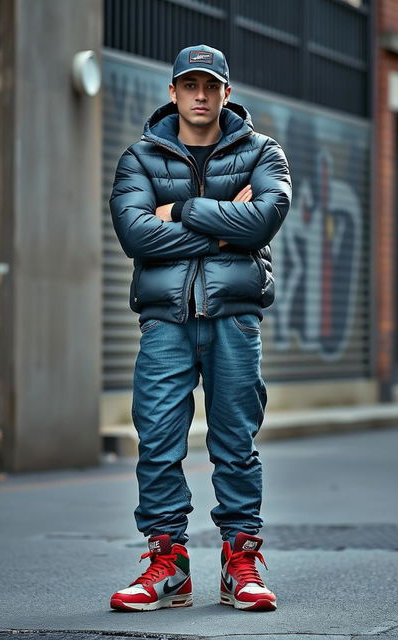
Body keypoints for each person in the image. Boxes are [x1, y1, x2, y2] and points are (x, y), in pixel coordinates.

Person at [108, 44, 291, 612]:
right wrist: (222, 223)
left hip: (234, 319)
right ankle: (169, 564)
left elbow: (265, 218)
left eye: (211, 86)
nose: (201, 95)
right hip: (165, 321)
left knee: (235, 444)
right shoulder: (138, 159)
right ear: (173, 92)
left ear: (226, 93)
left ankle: (241, 563)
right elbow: (136, 235)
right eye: (190, 85)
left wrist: (180, 211)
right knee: (158, 443)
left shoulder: (264, 152)